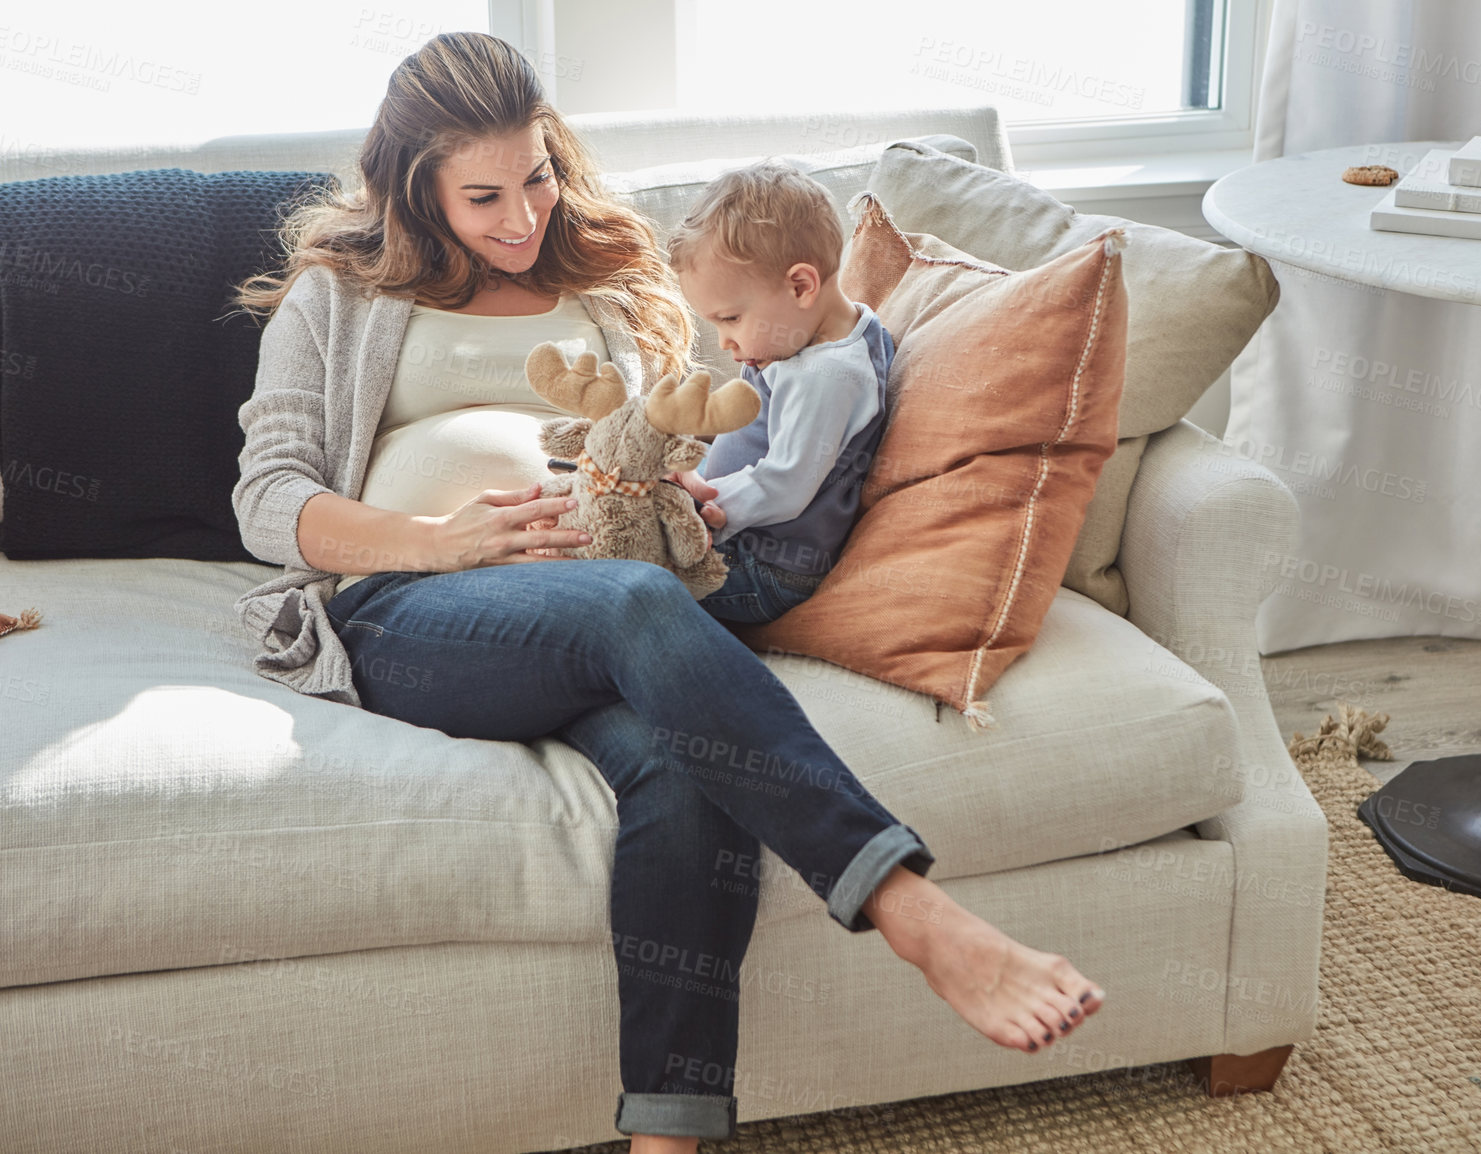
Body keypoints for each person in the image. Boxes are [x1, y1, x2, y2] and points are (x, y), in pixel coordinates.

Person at [229, 31, 1105, 1154]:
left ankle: (667, 1137)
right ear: (415, 189)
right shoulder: (339, 293)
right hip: (414, 613)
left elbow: (679, 427)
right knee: (633, 603)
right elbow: (268, 497)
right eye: (483, 194)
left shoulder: (607, 275)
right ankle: (909, 906)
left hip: (602, 593)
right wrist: (437, 540)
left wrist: (685, 487)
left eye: (537, 176)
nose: (521, 215)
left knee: (688, 769)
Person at [665, 161, 890, 624]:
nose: (725, 343)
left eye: (729, 319)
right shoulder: (830, 333)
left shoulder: (828, 376)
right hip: (737, 529)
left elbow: (785, 486)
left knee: (623, 591)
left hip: (763, 566)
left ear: (801, 286)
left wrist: (695, 507)